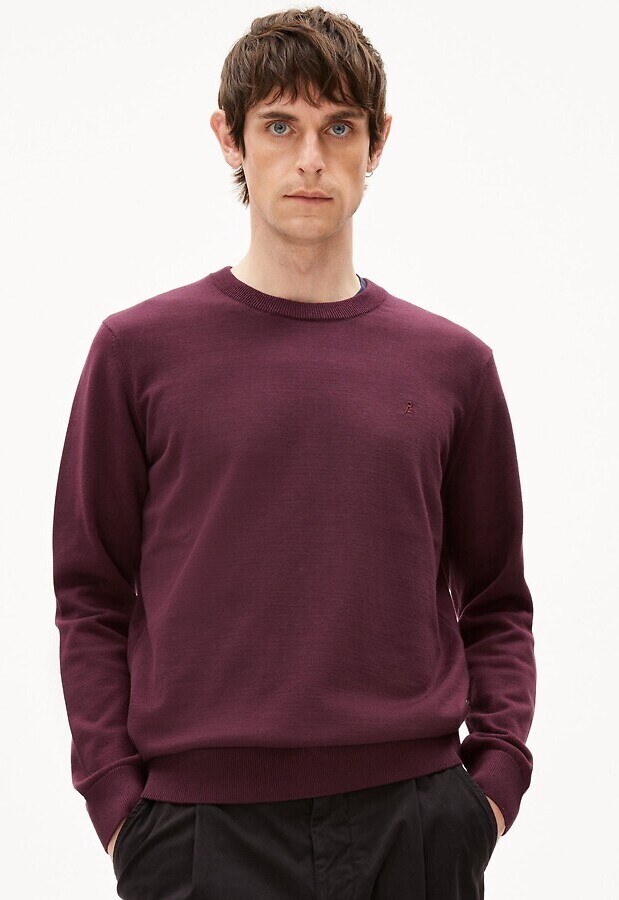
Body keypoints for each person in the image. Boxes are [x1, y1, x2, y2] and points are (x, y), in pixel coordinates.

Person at [52, 6, 536, 898]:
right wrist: (117, 803)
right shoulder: (136, 351)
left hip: (414, 824)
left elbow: (497, 599)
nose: (310, 157)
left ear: (377, 141)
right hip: (197, 834)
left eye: (337, 127)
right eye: (279, 126)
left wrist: (495, 781)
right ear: (229, 139)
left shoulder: (453, 365)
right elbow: (90, 594)